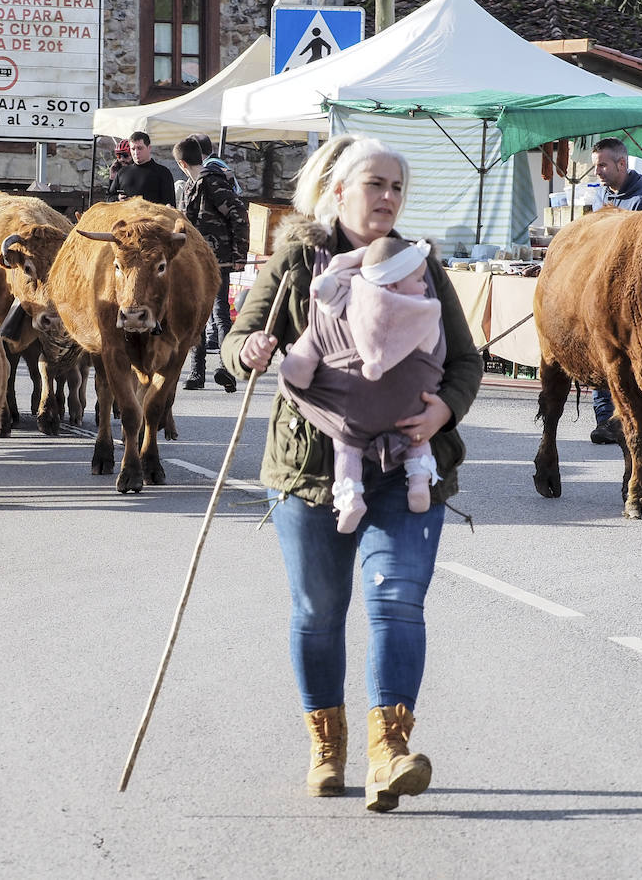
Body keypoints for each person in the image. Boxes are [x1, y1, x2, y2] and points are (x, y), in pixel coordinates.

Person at [220, 136, 481, 813]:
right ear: (338, 190)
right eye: (375, 184)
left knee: (396, 598)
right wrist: (246, 350)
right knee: (318, 612)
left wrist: (444, 412)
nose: (389, 198)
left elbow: (465, 363)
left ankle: (388, 753)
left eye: (397, 186)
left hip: (404, 466)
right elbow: (234, 343)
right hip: (311, 467)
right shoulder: (298, 259)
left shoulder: (420, 263)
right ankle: (326, 747)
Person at [278, 236, 444, 533]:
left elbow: (304, 359)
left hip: (353, 410)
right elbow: (434, 353)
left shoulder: (348, 302)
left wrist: (291, 370)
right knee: (418, 438)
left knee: (346, 447)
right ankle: (419, 483)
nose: (423, 285)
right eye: (418, 280)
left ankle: (350, 496)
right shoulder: (424, 310)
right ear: (393, 284)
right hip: (407, 405)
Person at [588, 137, 642, 444]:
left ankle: (621, 417)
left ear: (622, 163)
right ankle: (605, 419)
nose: (598, 173)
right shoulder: (599, 198)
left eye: (602, 165)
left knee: (622, 361)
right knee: (599, 355)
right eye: (595, 166)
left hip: (629, 301)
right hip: (600, 294)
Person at [174, 136, 246, 392]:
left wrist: (239, 256)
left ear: (182, 163)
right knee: (198, 316)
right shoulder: (191, 187)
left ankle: (227, 368)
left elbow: (239, 216)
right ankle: (197, 372)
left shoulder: (212, 183)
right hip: (195, 261)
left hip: (218, 260)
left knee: (219, 313)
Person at [106, 131, 175, 207]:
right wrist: (118, 198)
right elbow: (109, 198)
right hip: (126, 217)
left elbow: (170, 205)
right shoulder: (122, 172)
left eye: (140, 148)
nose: (136, 152)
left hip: (151, 217)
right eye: (133, 149)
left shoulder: (163, 173)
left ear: (149, 148)